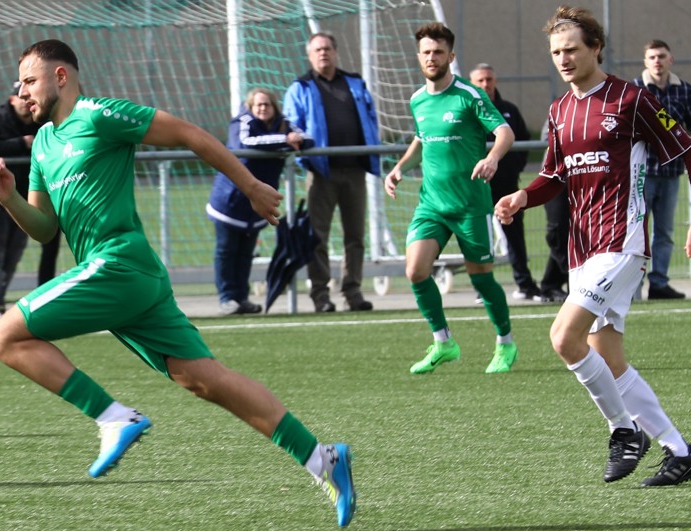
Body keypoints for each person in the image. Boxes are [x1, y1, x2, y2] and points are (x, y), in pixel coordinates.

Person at [0, 39, 355, 527]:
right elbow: (46, 230)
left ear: (60, 77)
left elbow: (189, 134)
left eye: (29, 81)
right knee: (207, 381)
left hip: (118, 264)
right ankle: (322, 458)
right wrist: (9, 200)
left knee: (4, 335)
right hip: (129, 279)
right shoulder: (45, 145)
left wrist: (251, 185)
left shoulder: (99, 115)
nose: (22, 93)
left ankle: (115, 418)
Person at [496, 5, 691, 487]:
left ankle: (623, 431)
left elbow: (687, 149)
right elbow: (553, 175)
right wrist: (524, 195)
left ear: (596, 48)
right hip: (582, 251)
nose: (563, 59)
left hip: (622, 244)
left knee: (564, 339)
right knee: (608, 358)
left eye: (572, 50)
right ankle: (680, 451)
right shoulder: (560, 110)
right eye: (556, 52)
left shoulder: (631, 99)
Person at [384, 23, 517, 375]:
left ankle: (505, 342)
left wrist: (492, 158)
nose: (432, 57)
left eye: (438, 52)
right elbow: (421, 139)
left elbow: (505, 131)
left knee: (481, 279)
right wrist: (399, 168)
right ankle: (443, 342)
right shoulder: (417, 99)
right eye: (426, 52)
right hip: (432, 205)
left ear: (451, 57)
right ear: (419, 57)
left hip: (470, 205)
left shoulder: (469, 95)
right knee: (415, 271)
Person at [283, 32, 380, 313]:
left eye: (327, 48)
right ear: (309, 55)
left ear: (335, 52)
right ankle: (320, 294)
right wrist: (295, 138)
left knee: (355, 236)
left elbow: (371, 117)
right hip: (320, 172)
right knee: (317, 236)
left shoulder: (354, 82)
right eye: (317, 50)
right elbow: (291, 124)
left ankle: (353, 292)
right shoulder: (300, 87)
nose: (322, 53)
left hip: (354, 171)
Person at [207, 87, 310, 315]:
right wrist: (284, 141)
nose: (263, 109)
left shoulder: (283, 123)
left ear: (274, 107)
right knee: (226, 250)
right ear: (250, 107)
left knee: (246, 252)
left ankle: (241, 298)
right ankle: (227, 298)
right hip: (230, 200)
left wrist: (291, 140)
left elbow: (305, 139)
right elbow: (245, 143)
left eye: (267, 105)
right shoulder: (241, 122)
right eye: (258, 105)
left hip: (258, 203)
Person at [468, 63, 537, 301]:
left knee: (515, 235)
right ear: (472, 83)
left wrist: (514, 167)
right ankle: (483, 288)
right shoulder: (468, 111)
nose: (485, 84)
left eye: (488, 79)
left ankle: (525, 283)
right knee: (480, 237)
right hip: (477, 186)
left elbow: (523, 139)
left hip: (507, 184)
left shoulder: (508, 109)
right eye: (480, 81)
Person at [0, 81, 40, 324]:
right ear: (12, 100)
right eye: (21, 97)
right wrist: (20, 144)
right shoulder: (0, 119)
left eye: (28, 96)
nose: (25, 100)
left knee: (13, 253)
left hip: (23, 197)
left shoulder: (39, 119)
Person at [633, 40, 691, 300]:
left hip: (671, 173)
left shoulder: (685, 91)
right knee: (636, 232)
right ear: (645, 61)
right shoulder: (635, 89)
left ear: (671, 59)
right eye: (652, 57)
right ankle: (633, 285)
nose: (657, 61)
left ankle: (659, 283)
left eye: (661, 56)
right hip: (641, 174)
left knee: (665, 232)